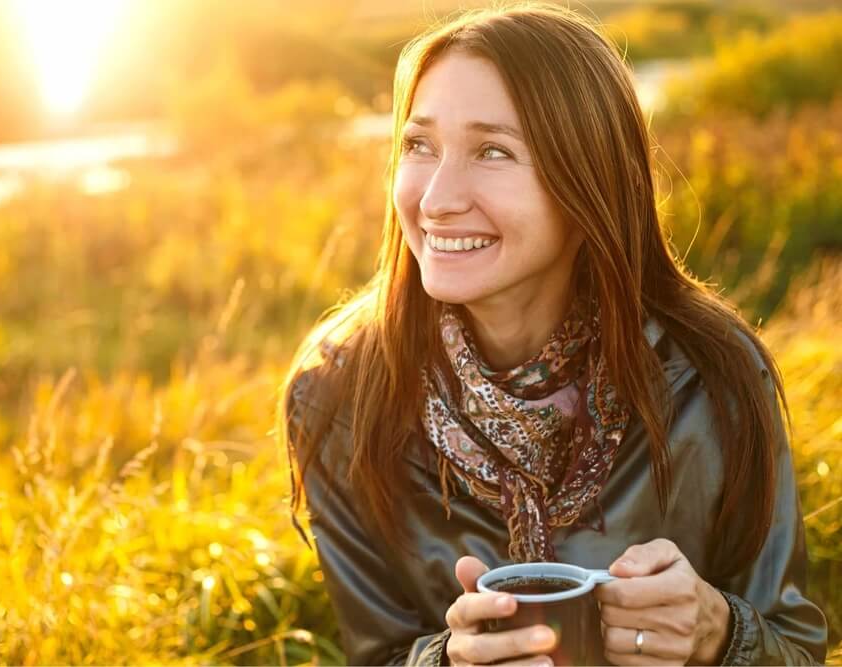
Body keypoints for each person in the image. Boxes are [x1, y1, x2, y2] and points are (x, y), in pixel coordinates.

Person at [276, 4, 828, 665]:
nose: (435, 198)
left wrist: (720, 633)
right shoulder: (340, 392)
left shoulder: (712, 376)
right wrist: (445, 661)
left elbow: (797, 647)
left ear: (588, 179)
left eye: (492, 151)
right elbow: (375, 654)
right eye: (419, 145)